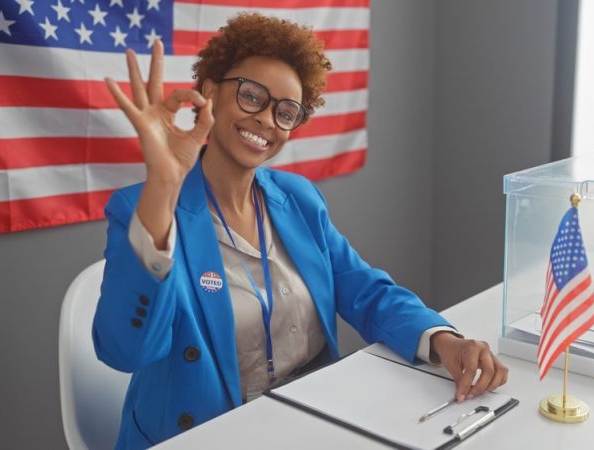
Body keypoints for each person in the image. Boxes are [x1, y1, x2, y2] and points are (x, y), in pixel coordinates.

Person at [92, 13, 508, 449]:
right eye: (251, 95)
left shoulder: (298, 199)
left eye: (286, 111)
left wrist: (444, 341)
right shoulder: (145, 209)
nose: (267, 120)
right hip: (208, 433)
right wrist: (162, 185)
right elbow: (126, 352)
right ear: (210, 92)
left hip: (312, 417)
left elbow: (367, 291)